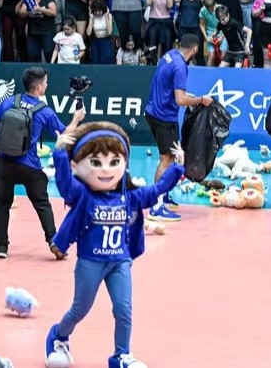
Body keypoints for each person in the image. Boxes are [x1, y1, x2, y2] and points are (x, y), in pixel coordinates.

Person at [45, 121, 185, 368]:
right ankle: (59, 335)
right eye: (96, 163)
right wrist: (59, 154)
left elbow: (157, 190)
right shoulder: (83, 194)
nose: (106, 169)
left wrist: (177, 167)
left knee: (124, 309)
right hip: (90, 261)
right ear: (77, 166)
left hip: (120, 261)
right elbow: (65, 185)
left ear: (125, 163)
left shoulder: (130, 197)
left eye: (114, 162)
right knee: (80, 309)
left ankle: (121, 355)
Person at [0, 66, 84, 260]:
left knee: (2, 203)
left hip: (4, 163)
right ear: (39, 87)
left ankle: (1, 247)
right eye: (46, 83)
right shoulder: (45, 111)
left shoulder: (9, 102)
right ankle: (54, 242)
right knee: (42, 203)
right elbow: (65, 136)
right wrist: (76, 119)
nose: (47, 85)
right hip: (30, 165)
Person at [143, 33, 212, 222]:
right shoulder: (181, 67)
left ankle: (163, 194)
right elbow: (180, 100)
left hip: (153, 111)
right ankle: (156, 206)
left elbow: (170, 88)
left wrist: (191, 96)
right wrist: (201, 100)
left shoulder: (170, 55)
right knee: (167, 160)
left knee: (170, 157)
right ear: (195, 49)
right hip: (164, 117)